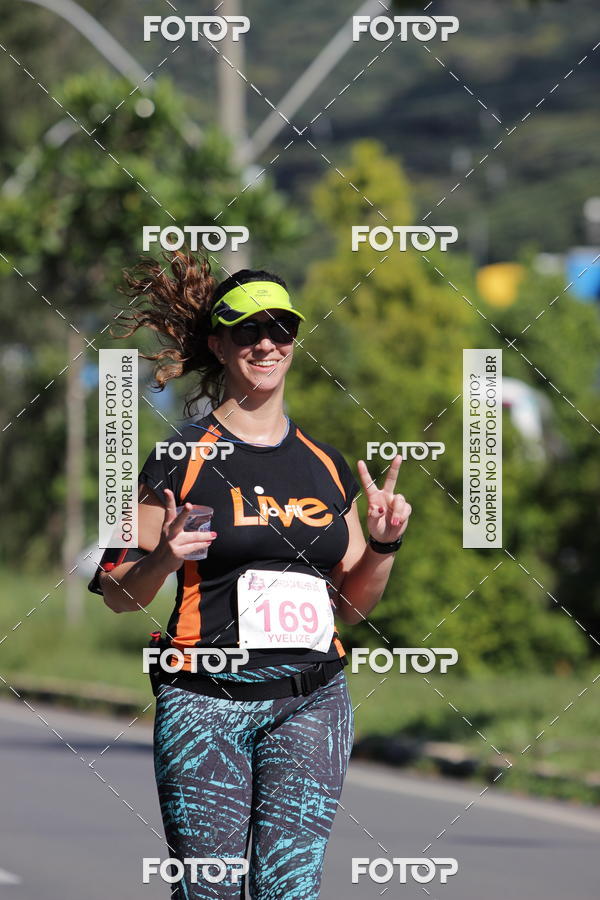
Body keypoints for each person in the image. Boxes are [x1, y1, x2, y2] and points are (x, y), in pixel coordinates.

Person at [88, 252, 412, 899]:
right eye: (248, 331)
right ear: (219, 342)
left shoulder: (325, 463)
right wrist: (164, 558)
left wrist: (382, 544)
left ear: (294, 340)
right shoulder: (180, 457)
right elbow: (118, 594)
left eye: (281, 330)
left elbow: (352, 606)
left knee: (289, 891)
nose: (267, 344)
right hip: (205, 701)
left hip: (310, 700)